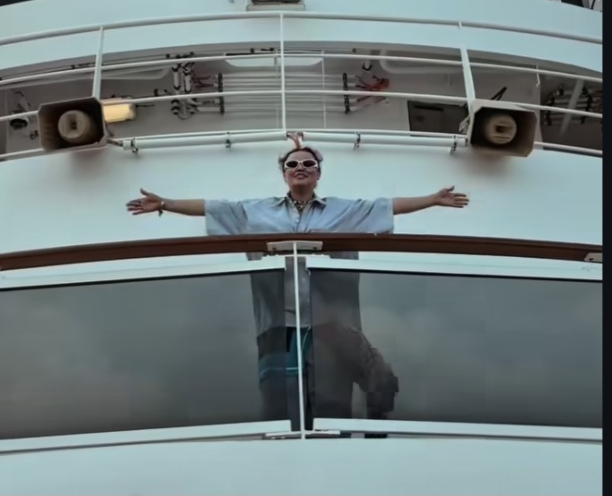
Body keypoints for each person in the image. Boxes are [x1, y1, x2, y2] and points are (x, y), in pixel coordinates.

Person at [126, 134, 470, 429]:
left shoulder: (344, 210)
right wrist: (165, 204)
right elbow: (213, 208)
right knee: (278, 392)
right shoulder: (256, 210)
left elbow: (386, 207)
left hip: (331, 318)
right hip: (279, 319)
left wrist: (432, 200)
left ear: (318, 174)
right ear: (284, 173)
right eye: (292, 164)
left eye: (308, 163)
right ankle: (280, 444)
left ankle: (348, 438)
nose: (300, 167)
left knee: (336, 392)